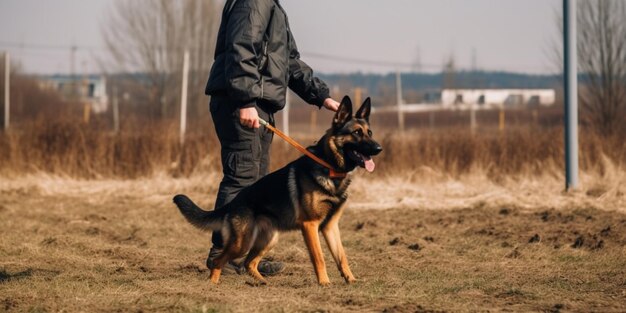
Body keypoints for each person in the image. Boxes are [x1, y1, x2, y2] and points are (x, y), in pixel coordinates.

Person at [204, 0, 340, 276]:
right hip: (241, 105)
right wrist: (245, 100)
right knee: (242, 178)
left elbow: (288, 61)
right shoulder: (254, 2)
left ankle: (246, 254)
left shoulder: (273, 7)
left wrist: (321, 95)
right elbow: (242, 47)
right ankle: (223, 256)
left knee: (256, 185)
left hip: (258, 106)